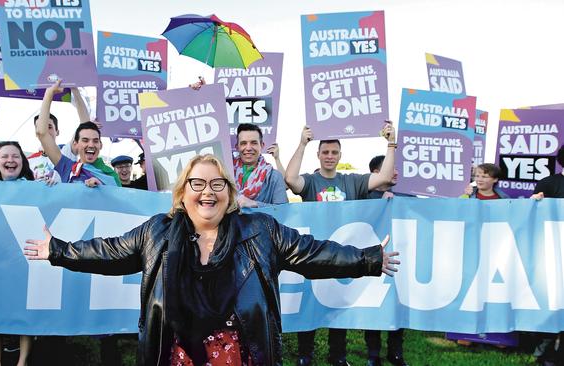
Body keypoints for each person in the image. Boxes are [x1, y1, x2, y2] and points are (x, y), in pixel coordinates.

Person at [24, 154, 400, 365]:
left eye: (217, 184)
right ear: (183, 194)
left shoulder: (261, 231)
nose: (208, 191)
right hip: (175, 356)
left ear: (229, 193)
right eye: (197, 184)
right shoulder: (156, 231)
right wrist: (55, 249)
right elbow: (107, 251)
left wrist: (368, 259)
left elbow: (315, 253)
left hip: (245, 356)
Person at [285, 123, 397, 366]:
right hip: (313, 255)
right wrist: (303, 143)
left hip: (342, 257)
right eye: (325, 152)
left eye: (334, 152)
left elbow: (385, 177)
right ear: (319, 154)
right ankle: (305, 354)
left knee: (339, 304)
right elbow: (291, 179)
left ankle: (338, 356)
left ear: (340, 155)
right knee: (310, 305)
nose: (329, 156)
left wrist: (391, 143)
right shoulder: (312, 182)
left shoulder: (352, 181)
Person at [0, 141, 35, 366]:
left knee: (24, 310)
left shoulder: (35, 189)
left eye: (16, 156)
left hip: (21, 261)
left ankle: (22, 361)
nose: (10, 160)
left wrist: (53, 183)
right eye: (5, 156)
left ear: (22, 162)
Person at [364, 155, 408, 366]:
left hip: (399, 261)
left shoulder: (405, 198)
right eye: (391, 168)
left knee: (397, 304)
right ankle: (373, 354)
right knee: (374, 304)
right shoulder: (363, 196)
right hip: (374, 262)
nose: (396, 172)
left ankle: (396, 352)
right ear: (376, 173)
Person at [36, 80, 120, 187]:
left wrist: (102, 188)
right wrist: (49, 93)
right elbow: (42, 133)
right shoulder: (67, 167)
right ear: (75, 144)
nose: (91, 145)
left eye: (95, 141)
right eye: (85, 140)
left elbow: (115, 202)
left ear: (101, 145)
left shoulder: (111, 175)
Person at [531, 146, 564, 366]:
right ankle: (544, 350)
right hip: (554, 253)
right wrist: (534, 201)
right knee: (553, 302)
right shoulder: (548, 183)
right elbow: (532, 214)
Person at [233, 123, 288, 207]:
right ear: (237, 147)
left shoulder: (274, 177)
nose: (248, 148)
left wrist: (255, 204)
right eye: (243, 143)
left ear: (262, 146)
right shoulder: (225, 172)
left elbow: (284, 211)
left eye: (254, 143)